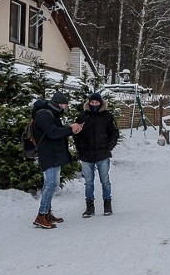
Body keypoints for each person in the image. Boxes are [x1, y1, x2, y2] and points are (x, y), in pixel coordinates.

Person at [32, 92, 82, 229]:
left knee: (51, 183)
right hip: (48, 154)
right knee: (52, 184)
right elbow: (53, 132)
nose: (66, 107)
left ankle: (47, 212)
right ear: (60, 103)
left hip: (54, 153)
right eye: (66, 104)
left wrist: (71, 130)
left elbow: (58, 130)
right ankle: (41, 215)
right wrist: (69, 128)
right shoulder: (44, 114)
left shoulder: (52, 114)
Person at [73, 92, 119, 218]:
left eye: (96, 102)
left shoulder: (107, 117)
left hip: (102, 155)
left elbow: (114, 133)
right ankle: (89, 207)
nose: (94, 104)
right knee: (88, 182)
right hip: (86, 156)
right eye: (92, 102)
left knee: (105, 180)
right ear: (88, 103)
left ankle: (107, 204)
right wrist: (80, 149)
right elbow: (76, 134)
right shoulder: (82, 117)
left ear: (100, 103)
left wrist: (108, 147)